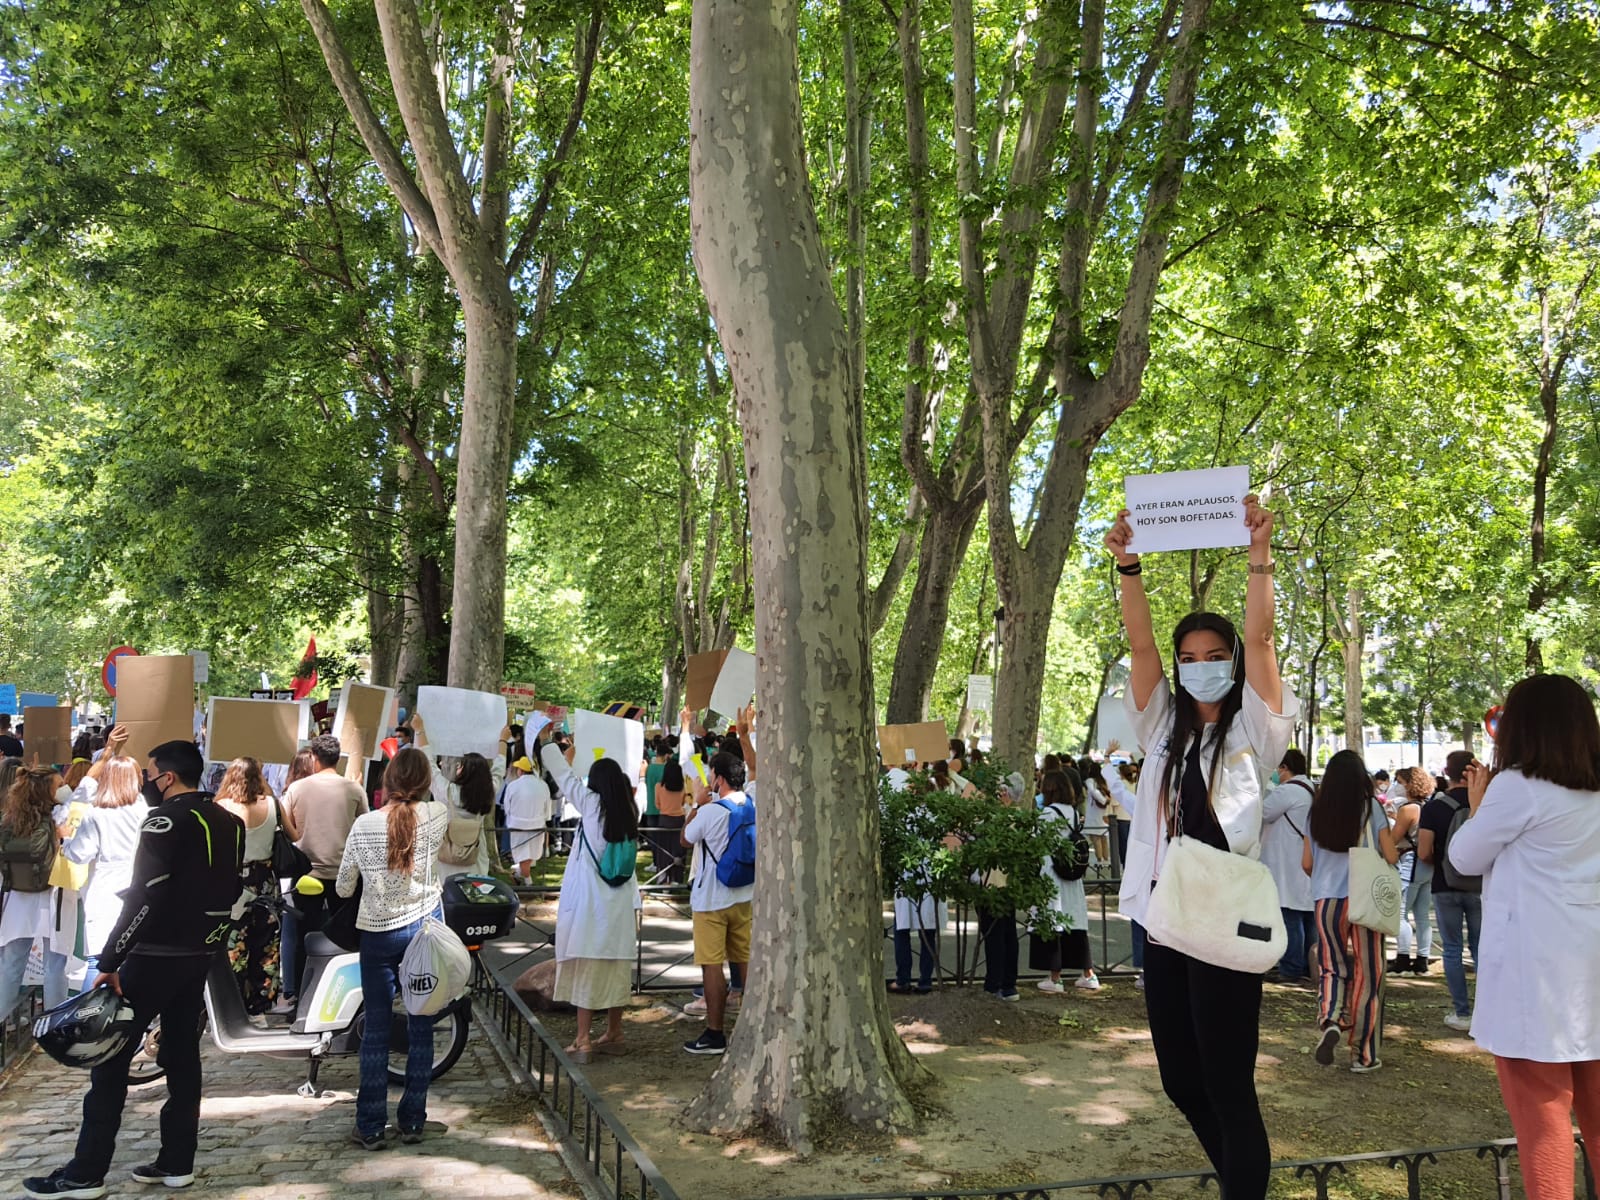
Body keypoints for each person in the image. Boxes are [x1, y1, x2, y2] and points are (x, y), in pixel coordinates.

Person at [1106, 494, 1296, 1200]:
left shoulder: (1254, 728)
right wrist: (1128, 565)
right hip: (1164, 919)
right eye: (1191, 657)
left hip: (1224, 917)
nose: (1201, 665)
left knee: (1227, 1082)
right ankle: (1240, 1184)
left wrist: (1258, 554)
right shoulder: (1160, 723)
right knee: (1182, 1081)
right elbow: (1141, 646)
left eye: (1216, 655)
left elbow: (1265, 639)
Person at [24, 740, 244, 1198]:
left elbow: (145, 895)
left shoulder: (164, 819)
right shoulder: (228, 820)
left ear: (167, 776)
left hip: (156, 954)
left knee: (110, 1062)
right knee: (182, 1057)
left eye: (150, 772)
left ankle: (86, 1172)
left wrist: (110, 960)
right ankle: (177, 1161)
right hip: (198, 954)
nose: (146, 780)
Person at [1448, 674, 1600, 1200]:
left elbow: (1464, 857)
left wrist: (1479, 804)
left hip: (1537, 978)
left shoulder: (1516, 788)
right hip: (1590, 972)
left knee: (1542, 1116)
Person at [334, 746, 449, 1151]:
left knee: (377, 1031)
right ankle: (413, 1120)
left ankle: (369, 1125)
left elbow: (345, 885)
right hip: (423, 932)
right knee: (421, 1027)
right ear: (425, 783)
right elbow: (445, 789)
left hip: (377, 934)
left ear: (387, 780)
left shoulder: (365, 824)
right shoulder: (435, 817)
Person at [537, 726, 640, 1061]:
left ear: (595, 783)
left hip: (592, 907)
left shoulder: (593, 806)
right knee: (614, 973)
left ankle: (583, 1040)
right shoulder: (629, 814)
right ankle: (616, 1032)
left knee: (587, 972)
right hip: (621, 907)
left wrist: (548, 744)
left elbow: (565, 778)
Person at [1303, 749, 1397, 1072]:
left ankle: (1329, 1018)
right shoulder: (1371, 808)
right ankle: (1363, 1054)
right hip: (1364, 898)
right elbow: (1389, 854)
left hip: (1326, 900)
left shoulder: (1316, 811)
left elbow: (1307, 863)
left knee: (1331, 966)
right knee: (1369, 974)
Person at [279, 734, 367, 1010]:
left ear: (314, 759)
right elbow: (364, 825)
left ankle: (299, 995)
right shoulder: (353, 790)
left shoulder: (297, 789)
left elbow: (287, 829)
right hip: (345, 876)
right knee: (348, 936)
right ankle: (346, 995)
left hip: (307, 875)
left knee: (302, 936)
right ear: (337, 759)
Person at [680, 747, 754, 1054]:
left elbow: (685, 839)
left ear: (719, 778)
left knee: (712, 965)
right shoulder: (751, 804)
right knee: (745, 960)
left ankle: (714, 1033)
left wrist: (697, 805)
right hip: (744, 894)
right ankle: (753, 1024)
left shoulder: (710, 810)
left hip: (711, 898)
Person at [62, 734, 147, 990]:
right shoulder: (148, 812)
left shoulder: (95, 814)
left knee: (98, 961)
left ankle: (90, 1022)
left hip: (104, 890)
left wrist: (66, 840)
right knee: (131, 960)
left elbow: (79, 854)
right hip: (140, 891)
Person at [212, 757, 286, 1014]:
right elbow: (294, 835)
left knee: (233, 942)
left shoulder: (221, 806)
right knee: (266, 943)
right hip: (265, 879)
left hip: (234, 879)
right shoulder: (273, 804)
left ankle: (232, 1000)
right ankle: (262, 1000)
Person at [0, 766, 71, 1017]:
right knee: (55, 964)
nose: (64, 787)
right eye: (59, 784)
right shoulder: (59, 819)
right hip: (52, 898)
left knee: (11, 964)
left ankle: (2, 1021)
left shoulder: (10, 818)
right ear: (47, 792)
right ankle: (53, 1024)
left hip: (17, 898)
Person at [1418, 749, 1480, 1031]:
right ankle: (1487, 1011)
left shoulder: (1434, 808)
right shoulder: (1487, 803)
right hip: (1481, 885)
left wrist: (1442, 862)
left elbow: (1424, 851)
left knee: (1452, 949)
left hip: (1445, 884)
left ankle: (1462, 1012)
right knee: (1482, 949)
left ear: (1446, 771)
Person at [1032, 770, 1099, 993]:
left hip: (1052, 873)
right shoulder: (1071, 812)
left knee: (1053, 922)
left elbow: (1035, 841)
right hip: (1072, 875)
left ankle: (1055, 977)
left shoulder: (1047, 814)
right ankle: (1088, 973)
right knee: (1074, 923)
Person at [1261, 748, 1315, 983]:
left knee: (1289, 914)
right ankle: (1307, 964)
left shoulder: (1289, 790)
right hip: (1303, 858)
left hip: (1287, 861)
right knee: (1306, 915)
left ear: (1284, 768)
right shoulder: (1312, 789)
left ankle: (1291, 967)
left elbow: (1263, 812)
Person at [1388, 766, 1433, 976]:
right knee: (1422, 914)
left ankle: (1403, 957)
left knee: (1401, 912)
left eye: (1399, 781)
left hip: (1409, 862)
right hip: (1427, 863)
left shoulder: (1408, 809)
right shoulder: (1429, 806)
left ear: (1408, 783)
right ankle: (1422, 958)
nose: (1397, 785)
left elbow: (1393, 838)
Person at [438, 741, 505, 879]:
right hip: (476, 850)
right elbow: (499, 770)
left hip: (448, 850)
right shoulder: (488, 791)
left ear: (463, 770)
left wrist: (421, 732)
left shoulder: (448, 791)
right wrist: (503, 741)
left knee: (449, 892)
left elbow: (430, 768)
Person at [502, 756, 553, 884]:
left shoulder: (513, 786)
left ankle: (526, 879)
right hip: (537, 824)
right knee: (529, 854)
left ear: (521, 770)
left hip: (517, 824)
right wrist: (545, 819)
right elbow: (548, 808)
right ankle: (524, 877)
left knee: (523, 854)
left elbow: (507, 807)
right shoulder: (543, 785)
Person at [1078, 758, 1112, 872]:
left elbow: (1093, 792)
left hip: (1093, 811)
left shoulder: (1090, 781)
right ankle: (1106, 860)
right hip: (1103, 811)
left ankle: (1100, 861)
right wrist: (1106, 801)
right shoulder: (1103, 780)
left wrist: (1102, 800)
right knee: (1103, 837)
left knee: (1095, 837)